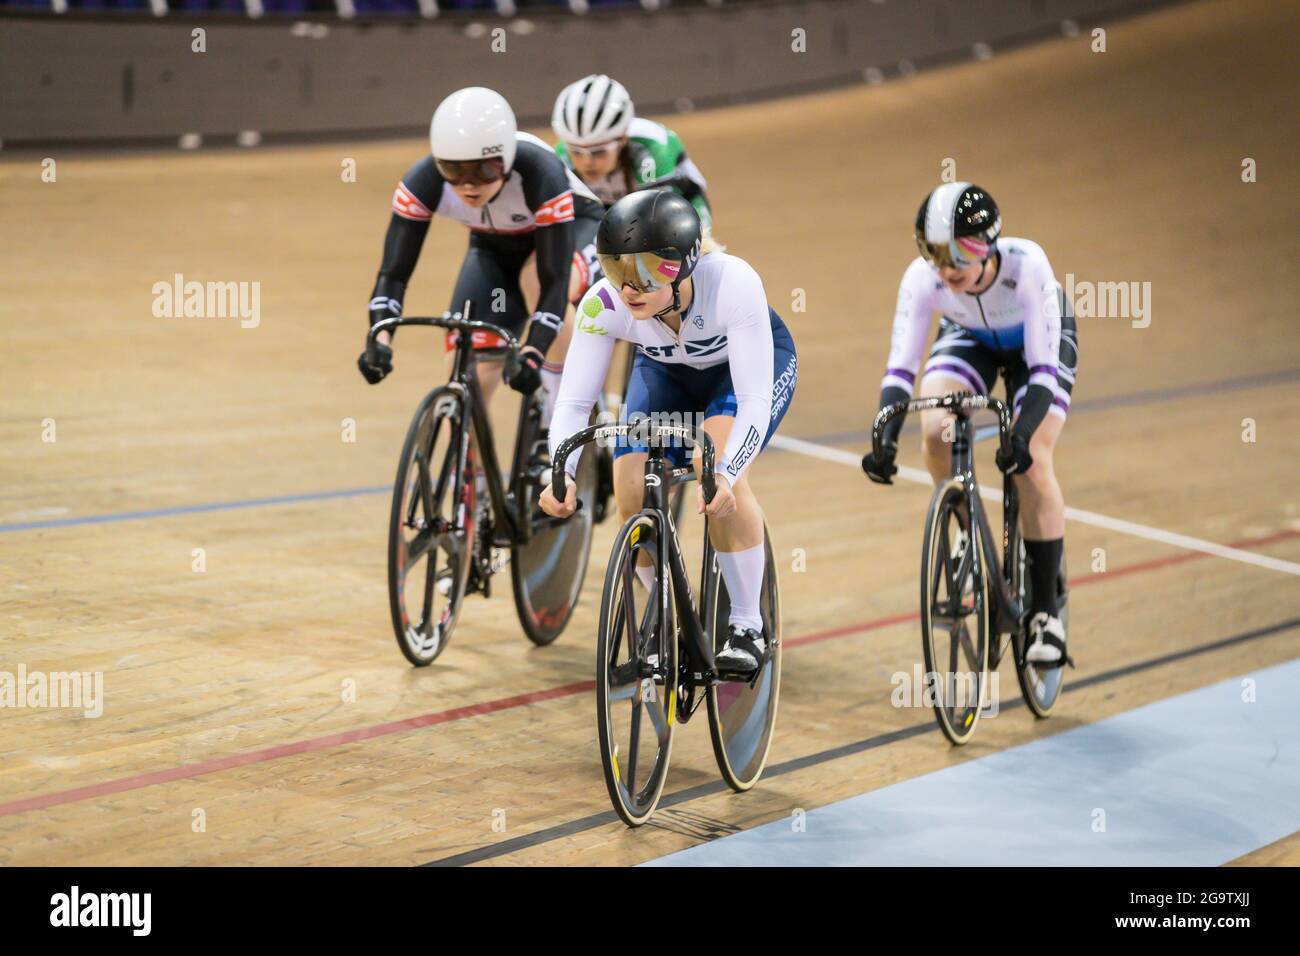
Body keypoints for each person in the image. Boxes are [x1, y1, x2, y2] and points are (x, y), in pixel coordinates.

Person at [538, 190, 797, 678]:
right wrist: (562, 472)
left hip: (733, 379)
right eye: (617, 271)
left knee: (713, 471)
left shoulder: (733, 283)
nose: (628, 289)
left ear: (683, 267)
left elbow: (754, 401)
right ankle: (664, 610)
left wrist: (726, 472)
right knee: (630, 488)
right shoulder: (602, 304)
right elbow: (573, 403)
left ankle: (746, 624)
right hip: (665, 374)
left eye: (645, 273)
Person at [861, 182, 1077, 665]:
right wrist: (886, 437)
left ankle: (1046, 614)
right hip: (969, 337)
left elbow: (1042, 372)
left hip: (1036, 345)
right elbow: (900, 370)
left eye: (960, 253)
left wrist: (1020, 435)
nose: (946, 267)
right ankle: (964, 537)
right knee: (936, 426)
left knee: (1032, 461)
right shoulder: (923, 279)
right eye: (935, 253)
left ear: (989, 245)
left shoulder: (1027, 266)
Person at [357, 86, 603, 427]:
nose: (468, 186)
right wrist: (380, 338)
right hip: (493, 247)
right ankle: (468, 475)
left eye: (484, 171)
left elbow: (554, 282)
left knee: (534, 281)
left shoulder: (539, 172)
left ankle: (561, 413)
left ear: (506, 158)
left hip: (575, 230)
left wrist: (532, 353)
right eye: (454, 172)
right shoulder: (422, 181)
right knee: (463, 364)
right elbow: (393, 275)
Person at [551, 74, 713, 230]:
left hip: (677, 204)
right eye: (576, 152)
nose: (587, 162)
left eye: (599, 152)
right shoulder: (560, 155)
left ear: (622, 139)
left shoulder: (652, 150)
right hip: (612, 208)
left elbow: (659, 221)